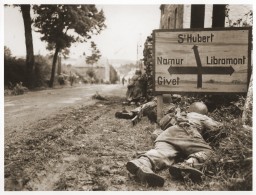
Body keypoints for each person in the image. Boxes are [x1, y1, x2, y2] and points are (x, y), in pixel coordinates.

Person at [126, 102, 223, 187]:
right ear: (204, 113)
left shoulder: (178, 114)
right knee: (209, 152)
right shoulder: (202, 117)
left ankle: (143, 162)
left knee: (162, 153)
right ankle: (188, 164)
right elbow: (218, 128)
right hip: (187, 131)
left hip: (166, 135)